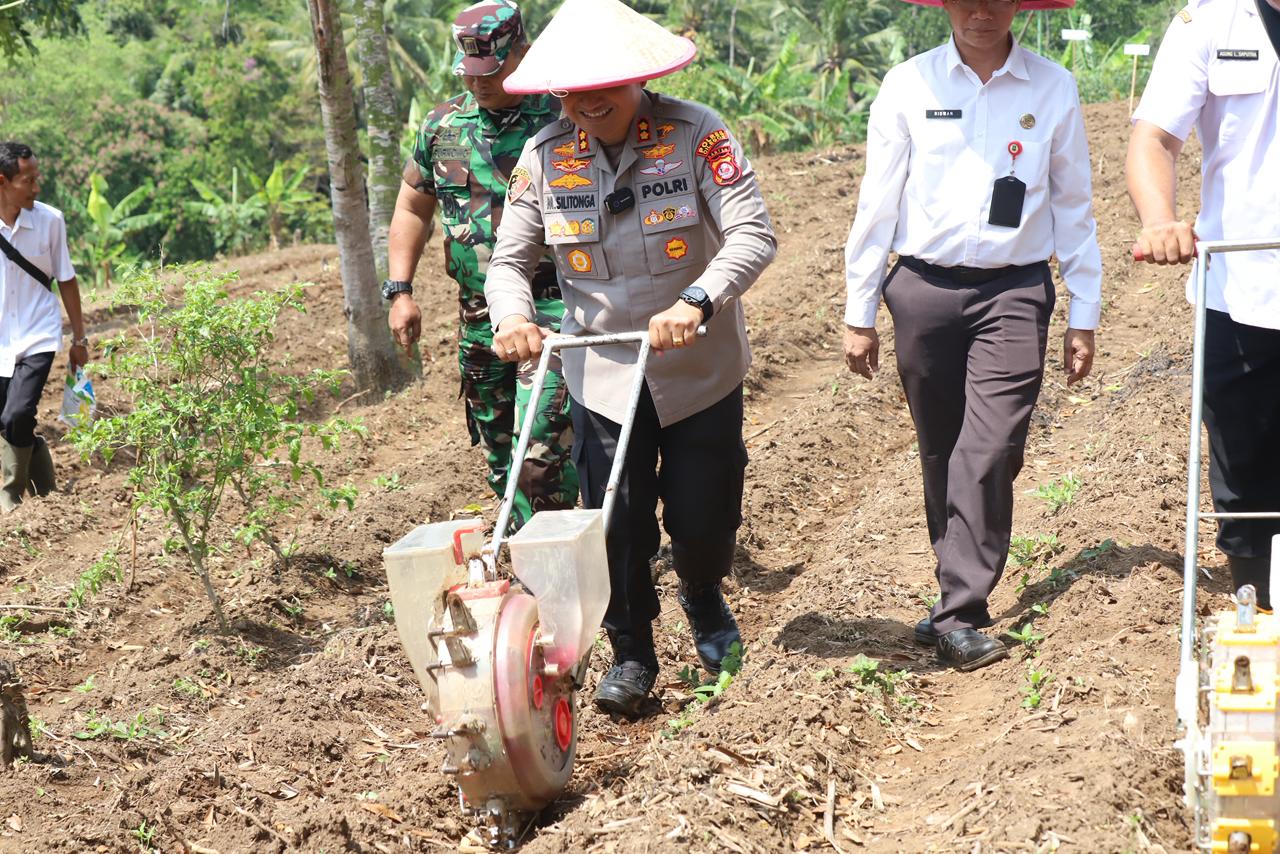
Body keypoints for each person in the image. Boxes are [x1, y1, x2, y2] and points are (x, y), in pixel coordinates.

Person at [484, 0, 777, 717]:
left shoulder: (697, 134)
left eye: (606, 86)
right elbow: (508, 261)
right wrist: (513, 317)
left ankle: (704, 597)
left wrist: (698, 300)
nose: (589, 103)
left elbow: (752, 233)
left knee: (704, 515)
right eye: (573, 91)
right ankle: (632, 650)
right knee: (615, 522)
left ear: (639, 78)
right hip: (602, 371)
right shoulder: (544, 157)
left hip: (697, 368)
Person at [843, 0, 1102, 671]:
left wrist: (1084, 311)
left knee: (988, 449)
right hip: (922, 289)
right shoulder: (909, 83)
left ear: (1020, 4)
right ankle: (954, 593)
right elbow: (878, 199)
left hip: (1013, 291)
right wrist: (860, 309)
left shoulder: (1053, 87)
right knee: (942, 449)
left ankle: (959, 610)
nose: (980, 11)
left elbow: (1073, 203)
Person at [386, 0, 576, 532]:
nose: (478, 84)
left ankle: (555, 556)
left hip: (554, 307)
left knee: (539, 453)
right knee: (499, 456)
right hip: (478, 318)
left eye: (490, 72)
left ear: (523, 52)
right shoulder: (443, 126)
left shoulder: (564, 115)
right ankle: (535, 545)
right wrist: (400, 290)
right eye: (468, 73)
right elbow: (412, 208)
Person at [1128, 0, 1280, 608]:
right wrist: (1159, 220)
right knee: (1244, 463)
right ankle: (1258, 602)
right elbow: (1155, 138)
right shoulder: (1211, 21)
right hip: (1241, 284)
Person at [0, 142, 88, 513]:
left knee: (17, 415)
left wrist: (80, 338)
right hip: (1, 339)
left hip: (38, 332)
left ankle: (11, 495)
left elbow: (66, 278)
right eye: (28, 180)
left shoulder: (50, 221)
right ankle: (47, 497)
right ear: (2, 181)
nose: (36, 188)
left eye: (37, 178)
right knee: (7, 421)